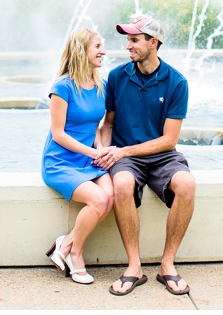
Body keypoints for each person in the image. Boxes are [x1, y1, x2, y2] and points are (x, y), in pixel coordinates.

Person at [94, 16, 196, 297]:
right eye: (127, 40)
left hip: (162, 155)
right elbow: (108, 122)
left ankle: (167, 265)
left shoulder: (177, 82)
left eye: (134, 40)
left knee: (187, 185)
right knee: (123, 184)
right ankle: (134, 267)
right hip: (128, 158)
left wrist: (122, 150)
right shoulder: (116, 76)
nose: (128, 46)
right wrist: (103, 150)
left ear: (153, 43)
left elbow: (169, 140)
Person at [42, 28, 114, 285]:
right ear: (81, 50)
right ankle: (76, 253)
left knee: (111, 197)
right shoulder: (62, 87)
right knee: (98, 200)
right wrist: (93, 152)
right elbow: (59, 134)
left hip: (88, 159)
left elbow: (94, 126)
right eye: (97, 46)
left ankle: (66, 242)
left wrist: (100, 150)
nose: (102, 51)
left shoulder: (100, 86)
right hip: (61, 161)